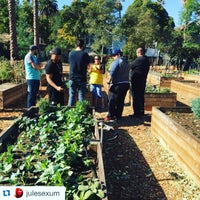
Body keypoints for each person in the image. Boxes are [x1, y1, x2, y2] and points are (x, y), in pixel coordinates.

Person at [104, 49, 130, 121]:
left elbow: (111, 74)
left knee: (111, 100)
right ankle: (118, 116)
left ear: (118, 54)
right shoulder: (126, 62)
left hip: (117, 84)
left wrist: (108, 83)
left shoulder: (116, 62)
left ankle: (110, 116)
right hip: (126, 83)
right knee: (120, 101)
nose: (113, 57)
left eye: (114, 56)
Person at [68, 39, 90, 106]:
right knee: (81, 96)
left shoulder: (71, 53)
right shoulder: (85, 54)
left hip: (72, 77)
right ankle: (81, 113)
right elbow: (88, 65)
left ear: (76, 45)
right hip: (82, 78)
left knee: (71, 95)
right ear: (83, 45)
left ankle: (69, 112)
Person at [129, 47, 150, 118]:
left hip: (136, 81)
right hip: (143, 80)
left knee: (136, 97)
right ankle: (141, 111)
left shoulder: (139, 59)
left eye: (136, 53)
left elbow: (130, 66)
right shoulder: (147, 59)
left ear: (139, 53)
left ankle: (137, 113)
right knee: (141, 96)